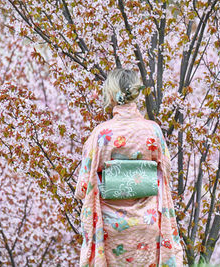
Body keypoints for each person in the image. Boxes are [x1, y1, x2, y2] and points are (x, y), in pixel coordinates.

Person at [75, 68, 183, 266]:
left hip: (111, 229)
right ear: (136, 93)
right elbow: (166, 174)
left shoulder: (101, 134)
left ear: (111, 94)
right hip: (147, 224)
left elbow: (84, 187)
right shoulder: (153, 130)